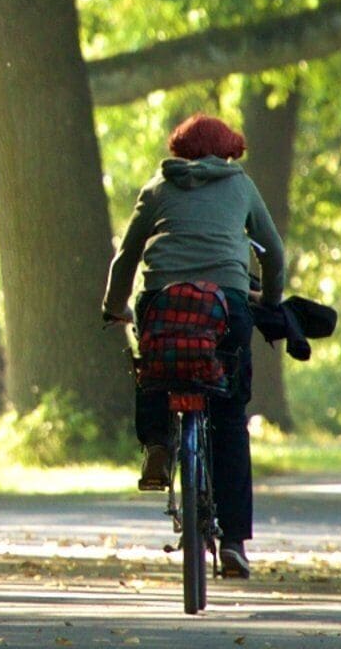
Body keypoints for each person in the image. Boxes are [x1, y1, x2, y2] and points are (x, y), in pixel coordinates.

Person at [101, 112, 304, 578]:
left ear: (179, 150)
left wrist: (114, 308)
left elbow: (127, 256)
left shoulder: (158, 187)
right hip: (227, 306)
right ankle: (233, 542)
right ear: (229, 150)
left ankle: (155, 443)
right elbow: (272, 251)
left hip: (162, 302)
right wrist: (269, 302)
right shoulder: (240, 185)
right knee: (230, 418)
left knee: (154, 364)